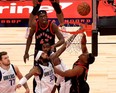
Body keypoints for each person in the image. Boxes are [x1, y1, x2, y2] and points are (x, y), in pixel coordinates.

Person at [24, 10, 65, 92]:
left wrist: (54, 45)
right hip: (39, 53)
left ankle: (60, 90)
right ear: (37, 18)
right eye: (41, 16)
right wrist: (26, 52)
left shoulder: (52, 25)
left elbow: (62, 40)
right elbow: (29, 38)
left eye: (45, 16)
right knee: (36, 73)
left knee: (56, 72)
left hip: (50, 52)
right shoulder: (35, 25)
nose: (44, 18)